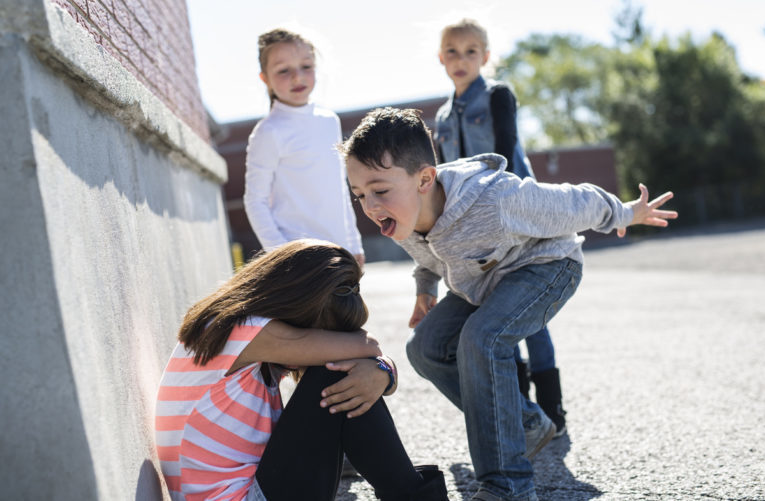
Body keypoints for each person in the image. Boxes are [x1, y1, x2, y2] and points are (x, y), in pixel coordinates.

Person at [340, 107, 677, 501]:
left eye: (379, 190)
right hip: (484, 282)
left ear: (424, 179)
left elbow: (573, 202)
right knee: (424, 349)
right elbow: (427, 255)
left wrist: (623, 212)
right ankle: (525, 423)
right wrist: (425, 290)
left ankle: (509, 486)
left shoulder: (495, 199)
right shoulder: (400, 213)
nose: (370, 205)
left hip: (547, 267)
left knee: (481, 339)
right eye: (359, 194)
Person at [155, 240, 449, 501]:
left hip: (249, 489)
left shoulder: (235, 330)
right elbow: (367, 345)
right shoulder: (244, 331)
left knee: (344, 373)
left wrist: (383, 371)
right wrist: (380, 367)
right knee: (336, 373)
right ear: (297, 305)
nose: (323, 347)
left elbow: (369, 354)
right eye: (323, 334)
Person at [433, 18, 564, 434]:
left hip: (516, 217)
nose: (461, 59)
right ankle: (524, 413)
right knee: (496, 314)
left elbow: (506, 153)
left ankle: (553, 409)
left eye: (471, 51)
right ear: (441, 58)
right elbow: (443, 175)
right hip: (473, 229)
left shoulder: (497, 97)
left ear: (486, 57)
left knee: (530, 316)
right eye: (452, 51)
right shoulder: (440, 116)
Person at [244, 29, 364, 267]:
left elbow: (340, 189)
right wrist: (283, 254)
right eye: (283, 70)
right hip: (299, 260)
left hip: (340, 253)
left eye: (306, 66)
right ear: (265, 78)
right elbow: (254, 200)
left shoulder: (329, 120)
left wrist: (354, 244)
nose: (297, 77)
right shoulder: (269, 132)